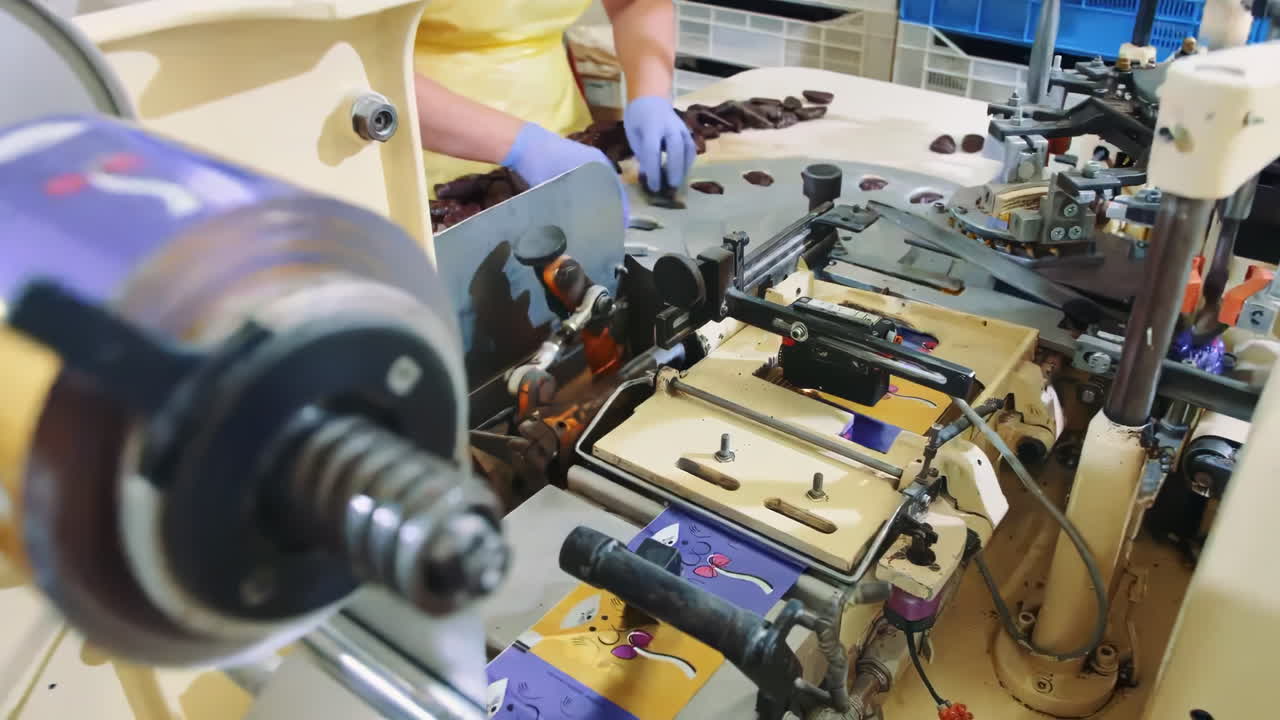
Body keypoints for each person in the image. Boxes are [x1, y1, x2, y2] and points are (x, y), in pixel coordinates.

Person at [412, 0, 695, 226]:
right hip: (421, 161)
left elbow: (632, 4)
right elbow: (369, 72)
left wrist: (650, 96)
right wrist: (525, 146)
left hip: (563, 143)